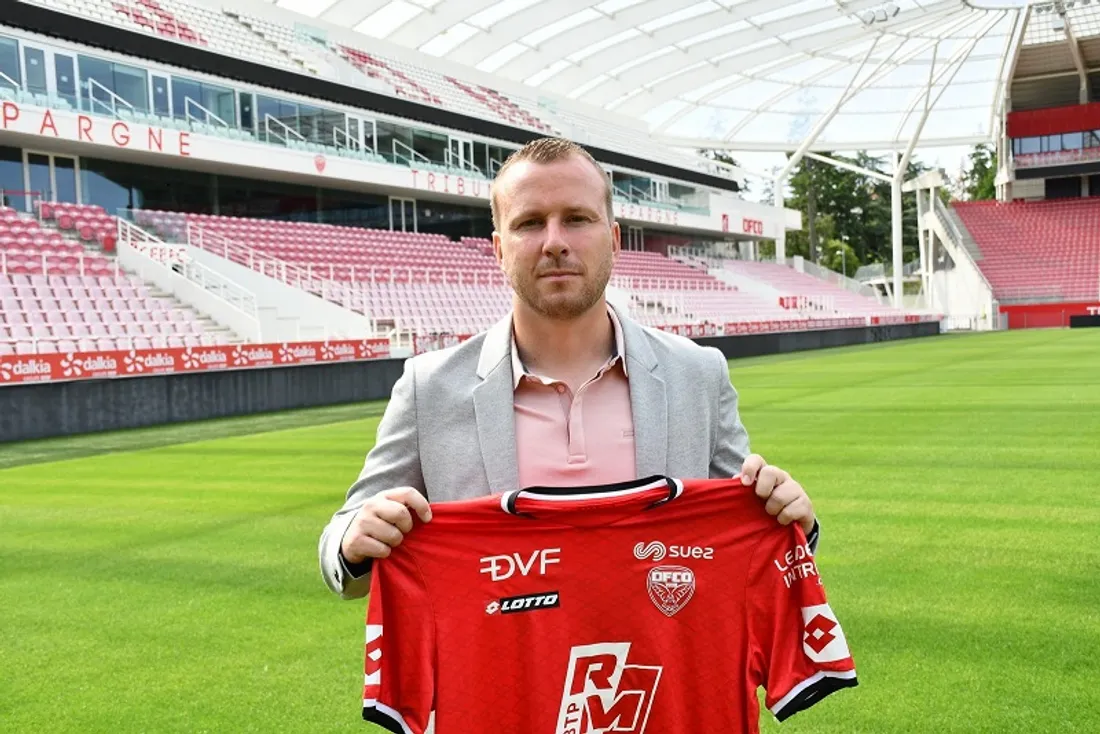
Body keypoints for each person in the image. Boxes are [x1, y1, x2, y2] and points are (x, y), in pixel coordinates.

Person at [319, 137, 818, 600]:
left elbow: (745, 533)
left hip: (653, 681)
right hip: (498, 686)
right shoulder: (429, 387)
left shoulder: (698, 374)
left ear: (614, 238)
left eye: (577, 219)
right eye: (530, 222)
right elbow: (343, 542)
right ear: (498, 248)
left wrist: (794, 522)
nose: (554, 241)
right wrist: (352, 541)